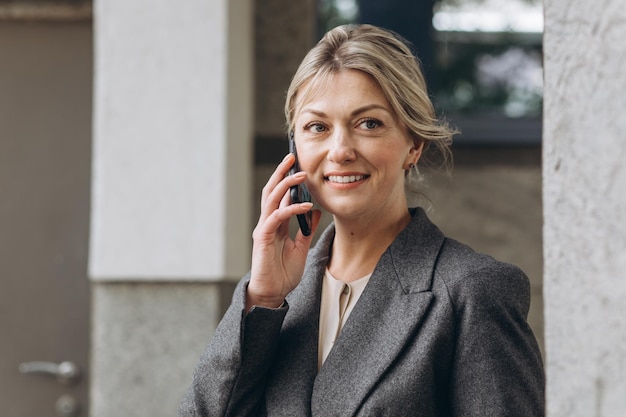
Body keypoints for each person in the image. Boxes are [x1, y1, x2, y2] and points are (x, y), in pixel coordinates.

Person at [179, 24, 544, 416]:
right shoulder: (276, 300)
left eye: (368, 123)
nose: (340, 151)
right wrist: (262, 300)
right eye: (317, 127)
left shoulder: (472, 292)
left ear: (413, 144)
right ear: (295, 149)